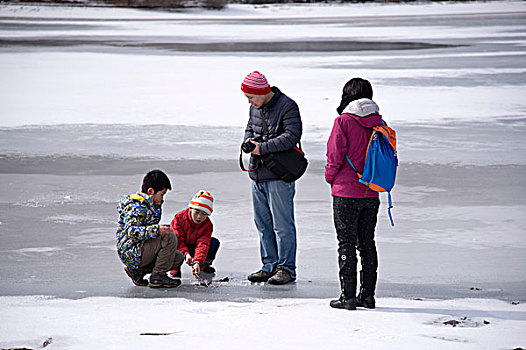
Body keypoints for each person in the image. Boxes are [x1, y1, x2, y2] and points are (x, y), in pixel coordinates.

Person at [325, 78, 383, 310]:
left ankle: (347, 297)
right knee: (367, 242)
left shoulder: (343, 122)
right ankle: (367, 296)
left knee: (346, 243)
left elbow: (334, 156)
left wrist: (330, 178)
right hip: (371, 192)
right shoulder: (379, 122)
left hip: (346, 193)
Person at [241, 71, 302, 285]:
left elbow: (292, 136)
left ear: (262, 92)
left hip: (279, 174)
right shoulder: (254, 107)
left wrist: (262, 148)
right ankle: (269, 265)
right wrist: (248, 142)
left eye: (251, 97)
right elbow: (250, 127)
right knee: (262, 223)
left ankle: (286, 269)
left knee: (282, 225)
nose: (249, 101)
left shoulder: (287, 106)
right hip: (257, 173)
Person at [116, 169, 184, 288]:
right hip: (132, 250)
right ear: (151, 191)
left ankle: (138, 272)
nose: (162, 199)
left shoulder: (152, 205)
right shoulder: (136, 206)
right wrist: (156, 230)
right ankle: (158, 276)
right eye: (161, 194)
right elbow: (131, 231)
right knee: (169, 237)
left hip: (141, 248)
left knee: (177, 257)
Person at [169, 190, 220, 278]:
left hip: (194, 247)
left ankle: (203, 266)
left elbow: (202, 244)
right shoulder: (179, 218)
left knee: (214, 243)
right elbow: (178, 238)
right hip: (180, 246)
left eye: (204, 214)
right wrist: (185, 253)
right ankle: (175, 267)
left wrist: (197, 261)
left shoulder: (208, 225)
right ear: (191, 208)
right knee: (170, 239)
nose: (199, 217)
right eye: (196, 212)